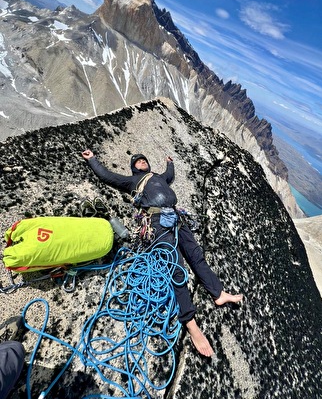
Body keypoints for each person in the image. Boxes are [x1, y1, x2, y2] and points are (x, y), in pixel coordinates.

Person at [81, 150, 243, 357]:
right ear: (133, 168)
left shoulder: (158, 177)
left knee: (196, 256)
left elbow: (170, 175)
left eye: (144, 159)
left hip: (176, 218)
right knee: (176, 268)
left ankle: (218, 293)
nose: (141, 161)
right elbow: (107, 176)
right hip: (157, 223)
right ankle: (190, 324)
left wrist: (169, 163)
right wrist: (92, 159)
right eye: (137, 161)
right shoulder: (132, 182)